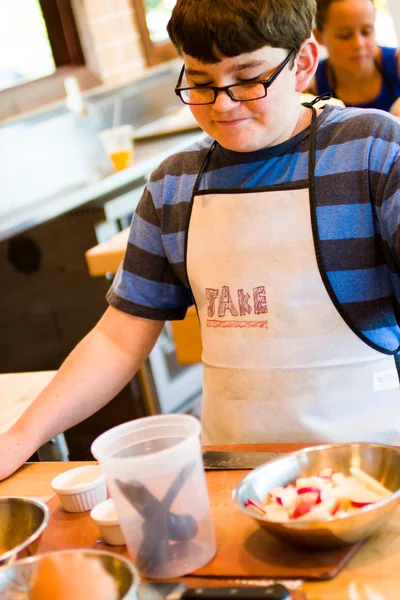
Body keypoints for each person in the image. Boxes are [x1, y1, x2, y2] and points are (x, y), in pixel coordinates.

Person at [1, 0, 400, 480]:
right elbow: (118, 336)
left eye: (249, 78)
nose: (223, 103)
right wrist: (21, 437)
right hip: (236, 472)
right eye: (202, 83)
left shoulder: (371, 149)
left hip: (373, 470)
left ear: (304, 64)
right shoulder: (176, 183)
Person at [309, 0, 400, 115]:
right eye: (345, 36)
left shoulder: (397, 63)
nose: (359, 44)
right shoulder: (312, 86)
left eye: (366, 31)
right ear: (319, 36)